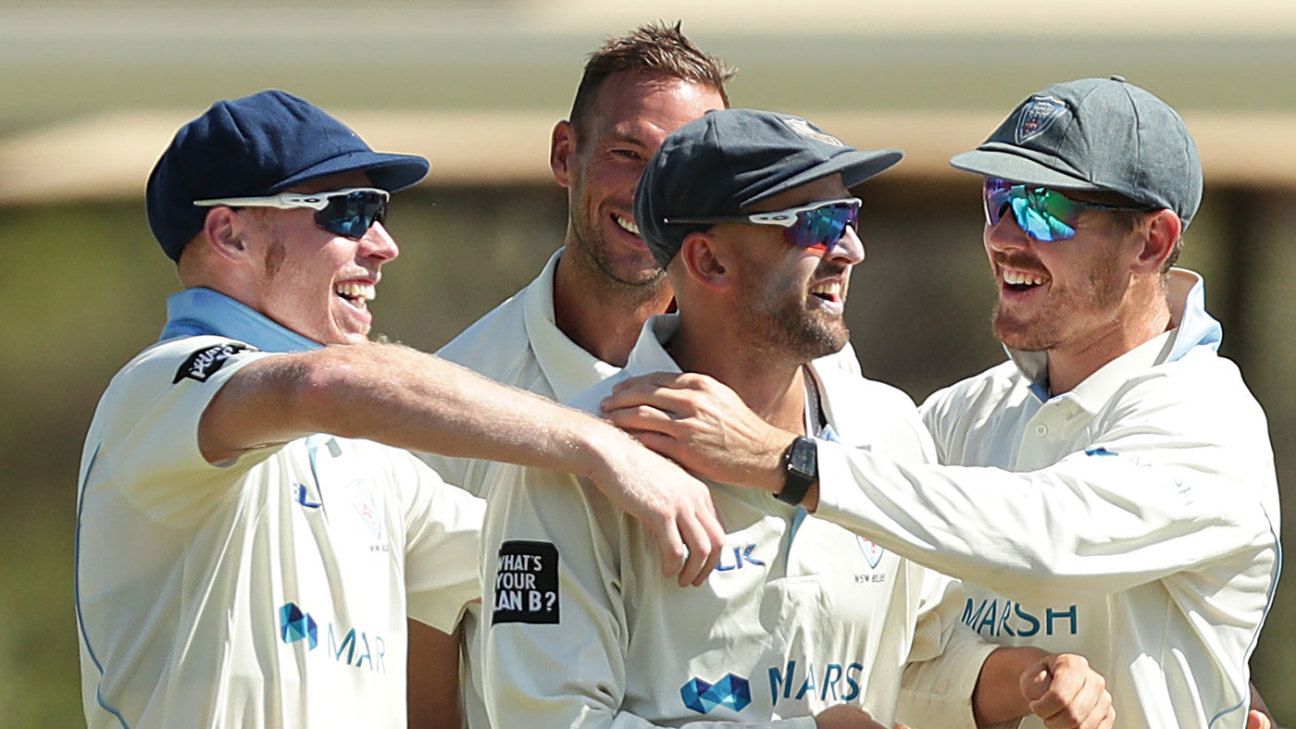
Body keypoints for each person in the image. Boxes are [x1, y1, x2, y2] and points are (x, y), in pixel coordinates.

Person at [602, 78, 1282, 728]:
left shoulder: (1208, 421)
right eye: (997, 198)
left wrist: (789, 461)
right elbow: (907, 659)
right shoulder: (955, 416)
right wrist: (1015, 680)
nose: (1004, 236)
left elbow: (1041, 533)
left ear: (1153, 241)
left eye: (1043, 208)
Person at [75, 89, 724, 729]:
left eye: (379, 210)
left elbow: (552, 546)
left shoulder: (371, 464)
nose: (384, 244)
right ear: (230, 234)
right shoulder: (159, 384)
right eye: (351, 213)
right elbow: (331, 384)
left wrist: (788, 482)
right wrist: (599, 444)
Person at [480, 108, 1115, 729]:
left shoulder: (888, 427)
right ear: (708, 262)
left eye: (851, 215)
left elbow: (919, 661)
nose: (852, 250)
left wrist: (1024, 681)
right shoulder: (585, 456)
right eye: (817, 223)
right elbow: (551, 716)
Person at [411, 23, 741, 728]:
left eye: (686, 163)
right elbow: (427, 694)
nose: (657, 191)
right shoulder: (453, 393)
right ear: (567, 153)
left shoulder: (787, 377)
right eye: (630, 153)